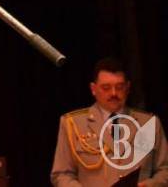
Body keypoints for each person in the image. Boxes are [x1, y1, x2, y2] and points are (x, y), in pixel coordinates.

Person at [51, 57, 168, 186]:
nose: (113, 93)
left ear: (128, 87)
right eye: (106, 88)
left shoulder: (149, 123)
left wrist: (150, 185)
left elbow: (164, 170)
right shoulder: (73, 123)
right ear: (93, 89)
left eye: (119, 87)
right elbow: (61, 174)